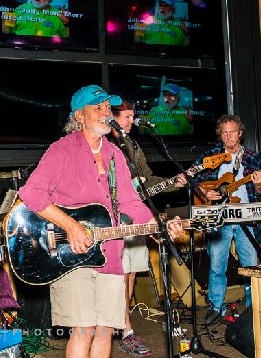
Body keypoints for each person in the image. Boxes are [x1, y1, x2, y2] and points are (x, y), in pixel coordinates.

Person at [18, 84, 184, 357]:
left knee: (106, 330)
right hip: (71, 253)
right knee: (84, 329)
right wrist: (71, 226)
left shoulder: (115, 154)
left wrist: (160, 226)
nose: (106, 112)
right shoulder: (62, 150)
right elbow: (31, 193)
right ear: (79, 115)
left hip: (111, 253)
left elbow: (131, 203)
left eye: (108, 107)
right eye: (97, 108)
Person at [107, 100, 186, 356]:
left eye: (133, 116)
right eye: (127, 117)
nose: (132, 121)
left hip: (137, 217)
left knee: (130, 274)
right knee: (120, 275)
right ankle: (125, 330)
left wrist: (174, 183)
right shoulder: (104, 144)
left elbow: (147, 179)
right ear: (113, 117)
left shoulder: (132, 145)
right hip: (115, 221)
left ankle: (123, 326)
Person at [191, 115, 261, 324]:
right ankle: (216, 307)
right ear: (220, 135)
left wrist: (259, 185)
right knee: (217, 266)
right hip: (219, 219)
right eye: (224, 132)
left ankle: (254, 310)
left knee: (250, 266)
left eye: (232, 132)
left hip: (247, 219)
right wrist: (204, 193)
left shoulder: (253, 158)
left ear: (240, 133)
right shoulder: (210, 156)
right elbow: (190, 177)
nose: (228, 136)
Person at [1, 0, 69, 38]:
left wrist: (67, 24)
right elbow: (7, 32)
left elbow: (67, 37)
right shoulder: (21, 8)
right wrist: (4, 22)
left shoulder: (58, 14)